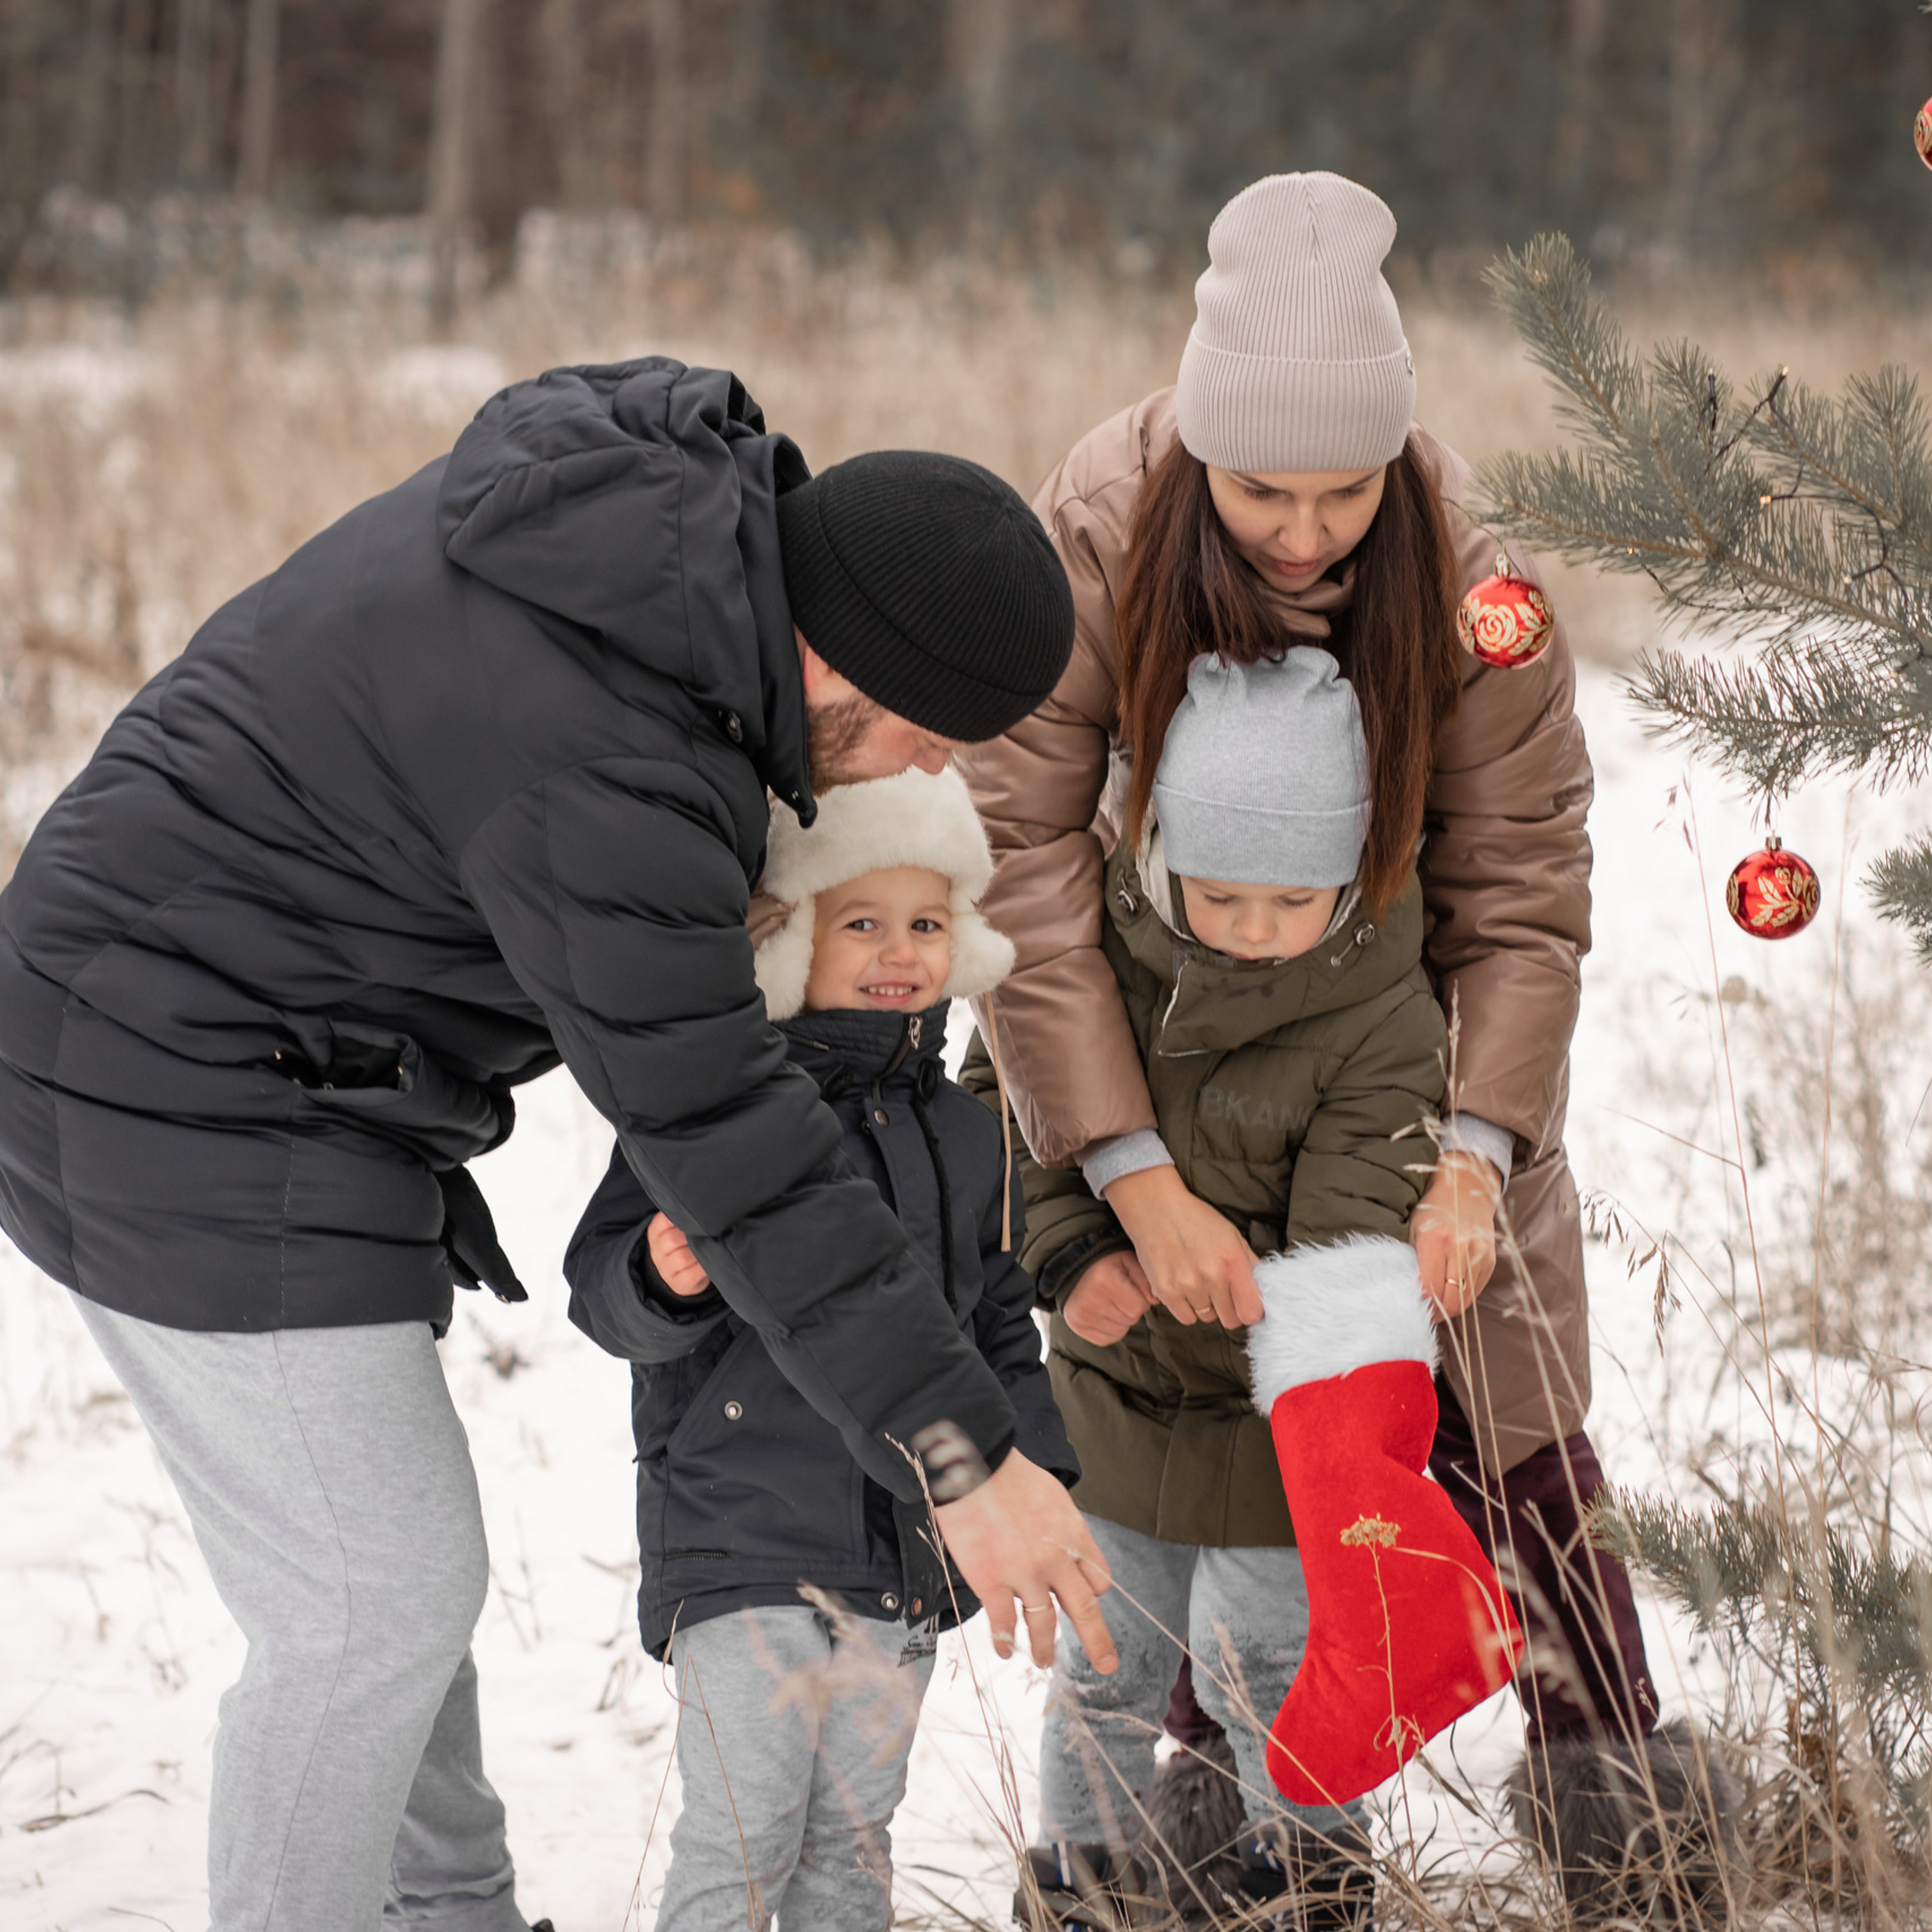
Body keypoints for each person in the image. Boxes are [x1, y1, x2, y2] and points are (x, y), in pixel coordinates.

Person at [0, 358, 1117, 1932]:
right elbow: (731, 1142)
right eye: (927, 738)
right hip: (155, 1075)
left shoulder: (649, 554)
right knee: (369, 1600)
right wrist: (960, 1459)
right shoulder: (616, 756)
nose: (925, 776)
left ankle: (446, 1910)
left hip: (282, 1061)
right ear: (840, 662)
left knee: (375, 1582)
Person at [957, 174, 1683, 1881]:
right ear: (1194, 452)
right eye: (1261, 490)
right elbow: (1021, 864)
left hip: (1400, 1056)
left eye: (1341, 491)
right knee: (1223, 1439)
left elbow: (1517, 887)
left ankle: (1615, 1805)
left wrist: (1475, 1148)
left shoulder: (1466, 580)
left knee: (1509, 1424)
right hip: (1158, 1047)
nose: (1300, 532)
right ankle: (1216, 1804)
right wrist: (1123, 1167)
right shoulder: (1097, 525)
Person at [977, 648, 1459, 1927]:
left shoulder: (1386, 1019)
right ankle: (1086, 1885)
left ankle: (1310, 1884)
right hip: (1112, 1400)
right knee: (1104, 1663)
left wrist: (1239, 1281)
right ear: (1162, 857)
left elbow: (1350, 1235)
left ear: (1353, 874)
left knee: (1276, 1668)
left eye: (1292, 899)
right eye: (1221, 892)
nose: (1253, 928)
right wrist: (1073, 1254)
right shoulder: (1095, 965)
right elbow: (1010, 1114)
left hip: (1277, 1430)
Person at [567, 764, 1078, 1932]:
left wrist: (1031, 1469)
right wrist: (658, 1272)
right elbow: (600, 1299)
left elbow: (995, 1317)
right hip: (742, 1544)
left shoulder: (962, 1125)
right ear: (792, 933)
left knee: (850, 1847)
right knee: (744, 1841)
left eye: (926, 921)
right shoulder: (713, 1108)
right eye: (861, 921)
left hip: (900, 1560)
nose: (899, 950)